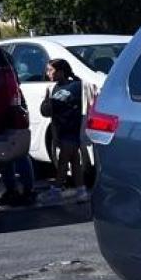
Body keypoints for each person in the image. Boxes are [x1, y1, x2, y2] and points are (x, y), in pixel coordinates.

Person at [40, 58, 86, 192]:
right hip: (62, 131)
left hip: (70, 131)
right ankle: (80, 190)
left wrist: (48, 101)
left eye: (51, 70)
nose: (48, 73)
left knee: (62, 162)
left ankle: (56, 189)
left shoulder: (75, 87)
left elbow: (50, 109)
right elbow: (48, 112)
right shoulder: (56, 87)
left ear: (61, 71)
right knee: (74, 161)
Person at [0, 92, 37, 207]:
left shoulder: (11, 85)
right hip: (9, 115)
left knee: (19, 155)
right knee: (11, 155)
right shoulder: (9, 80)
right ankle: (16, 190)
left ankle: (27, 190)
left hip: (13, 115)